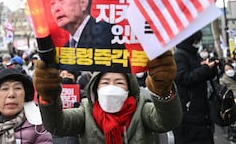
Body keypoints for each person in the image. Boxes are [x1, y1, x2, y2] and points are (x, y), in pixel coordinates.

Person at [33, 50, 183, 143]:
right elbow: (56, 125)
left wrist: (163, 91)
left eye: (119, 82)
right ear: (95, 88)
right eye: (105, 82)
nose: (111, 88)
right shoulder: (86, 111)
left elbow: (168, 121)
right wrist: (49, 98)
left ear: (129, 88)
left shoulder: (142, 109)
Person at [50, 0, 128, 72]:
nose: (56, 8)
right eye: (52, 3)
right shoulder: (65, 48)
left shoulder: (106, 32)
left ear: (83, 3)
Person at [172, 30, 219, 144]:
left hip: (200, 111)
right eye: (196, 40)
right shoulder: (179, 55)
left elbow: (199, 74)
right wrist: (205, 69)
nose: (198, 43)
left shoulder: (193, 55)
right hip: (188, 113)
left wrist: (211, 68)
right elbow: (184, 77)